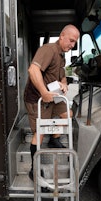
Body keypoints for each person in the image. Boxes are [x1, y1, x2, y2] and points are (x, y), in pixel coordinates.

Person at [24, 24, 80, 180]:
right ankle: (33, 169)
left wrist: (64, 83)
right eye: (71, 40)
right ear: (62, 36)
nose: (72, 45)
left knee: (68, 115)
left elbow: (61, 76)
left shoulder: (62, 55)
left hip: (53, 96)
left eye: (75, 42)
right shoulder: (49, 49)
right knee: (39, 132)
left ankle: (54, 139)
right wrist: (43, 92)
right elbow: (33, 70)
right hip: (37, 97)